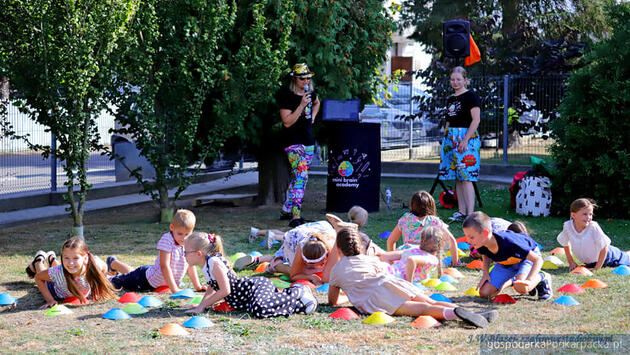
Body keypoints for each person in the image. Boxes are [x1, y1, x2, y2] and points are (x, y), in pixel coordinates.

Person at [328, 228, 496, 328]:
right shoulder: (369, 259)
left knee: (423, 309)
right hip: (392, 282)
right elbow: (380, 268)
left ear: (339, 250)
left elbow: (333, 301)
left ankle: (455, 314)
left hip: (379, 298)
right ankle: (473, 313)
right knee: (430, 301)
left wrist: (347, 297)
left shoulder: (336, 270)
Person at [184, 232, 317, 318]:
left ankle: (297, 291)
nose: (184, 255)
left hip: (255, 286)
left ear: (199, 253)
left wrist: (203, 306)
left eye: (186, 252)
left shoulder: (214, 262)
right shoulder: (205, 266)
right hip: (247, 298)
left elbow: (225, 290)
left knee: (260, 309)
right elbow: (212, 287)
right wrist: (202, 304)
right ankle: (302, 304)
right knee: (257, 308)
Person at [106, 209, 205, 293]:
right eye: (180, 234)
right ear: (172, 227)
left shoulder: (189, 243)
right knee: (113, 283)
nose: (183, 238)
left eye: (187, 234)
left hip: (153, 275)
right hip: (144, 279)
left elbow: (190, 265)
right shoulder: (167, 240)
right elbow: (164, 266)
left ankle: (113, 263)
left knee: (130, 274)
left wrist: (198, 286)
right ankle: (107, 268)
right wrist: (174, 289)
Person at [463, 211, 552, 300]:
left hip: (526, 259)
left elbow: (538, 260)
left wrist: (529, 280)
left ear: (485, 234)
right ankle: (513, 280)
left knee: (522, 288)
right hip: (506, 262)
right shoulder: (481, 244)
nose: (468, 241)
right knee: (484, 293)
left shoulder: (509, 242)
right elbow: (485, 255)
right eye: (467, 237)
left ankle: (542, 276)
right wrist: (485, 273)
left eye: (471, 237)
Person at [276, 63, 321, 228]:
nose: (307, 81)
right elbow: (287, 122)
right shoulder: (287, 96)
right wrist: (301, 105)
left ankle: (287, 209)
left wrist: (313, 118)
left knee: (297, 177)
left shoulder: (310, 93)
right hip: (293, 143)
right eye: (303, 78)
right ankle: (295, 216)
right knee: (302, 176)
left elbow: (317, 103)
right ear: (295, 79)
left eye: (309, 77)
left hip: (308, 141)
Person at [439, 66, 482, 222]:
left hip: (466, 138)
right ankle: (461, 212)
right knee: (457, 176)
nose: (455, 82)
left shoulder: (471, 96)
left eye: (458, 79)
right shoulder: (451, 99)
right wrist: (445, 139)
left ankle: (470, 214)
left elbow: (476, 120)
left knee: (466, 176)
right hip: (451, 139)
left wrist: (465, 140)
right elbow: (449, 120)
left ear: (465, 80)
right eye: (452, 79)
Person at [236, 221, 335, 286]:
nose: (308, 265)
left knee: (311, 269)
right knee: (301, 270)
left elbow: (327, 278)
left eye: (312, 264)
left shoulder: (332, 247)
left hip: (315, 229)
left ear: (325, 255)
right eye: (306, 262)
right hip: (293, 238)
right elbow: (294, 275)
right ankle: (274, 266)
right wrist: (309, 276)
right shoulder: (301, 247)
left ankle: (258, 259)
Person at [29, 237, 117, 309]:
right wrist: (50, 300)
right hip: (55, 289)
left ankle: (51, 259)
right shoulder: (58, 272)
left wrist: (97, 290)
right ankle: (39, 260)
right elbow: (38, 278)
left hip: (60, 274)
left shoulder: (95, 265)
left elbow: (105, 267)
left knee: (68, 267)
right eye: (66, 258)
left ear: (85, 258)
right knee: (49, 272)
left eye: (75, 258)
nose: (71, 262)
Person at [386, 190, 460, 266]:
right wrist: (455, 262)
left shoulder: (406, 219)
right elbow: (451, 240)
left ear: (412, 205)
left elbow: (390, 241)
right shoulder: (434, 221)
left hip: (406, 256)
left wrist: (393, 261)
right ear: (431, 206)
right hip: (425, 258)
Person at [557, 198, 630, 271]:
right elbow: (565, 243)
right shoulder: (568, 226)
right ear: (573, 215)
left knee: (626, 259)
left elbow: (604, 247)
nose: (588, 217)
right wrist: (571, 262)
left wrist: (597, 268)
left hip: (609, 257)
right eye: (585, 214)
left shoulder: (593, 227)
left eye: (590, 214)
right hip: (590, 263)